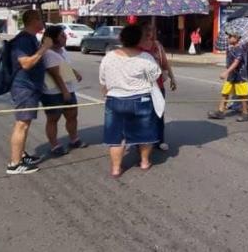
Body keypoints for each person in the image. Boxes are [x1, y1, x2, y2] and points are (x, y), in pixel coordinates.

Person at [99, 24, 162, 178]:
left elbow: (103, 81)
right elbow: (156, 76)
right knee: (145, 134)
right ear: (140, 40)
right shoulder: (146, 57)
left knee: (116, 137)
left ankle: (116, 168)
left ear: (121, 38)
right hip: (141, 99)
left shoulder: (109, 56)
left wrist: (107, 93)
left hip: (115, 100)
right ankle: (144, 162)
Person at [7, 9, 51, 175]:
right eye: (41, 18)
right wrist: (44, 48)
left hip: (31, 87)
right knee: (22, 124)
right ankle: (14, 164)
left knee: (25, 123)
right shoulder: (22, 40)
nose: (43, 21)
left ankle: (21, 155)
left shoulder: (31, 38)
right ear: (33, 20)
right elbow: (25, 63)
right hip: (24, 88)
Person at [41, 25, 86, 157]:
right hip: (54, 93)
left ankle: (74, 139)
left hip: (69, 89)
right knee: (53, 119)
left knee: (72, 116)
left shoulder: (62, 50)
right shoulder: (48, 53)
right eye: (62, 35)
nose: (65, 37)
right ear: (53, 38)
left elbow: (64, 65)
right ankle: (55, 145)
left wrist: (75, 72)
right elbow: (55, 74)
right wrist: (65, 91)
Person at [140, 22, 177, 152]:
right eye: (148, 30)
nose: (151, 33)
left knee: (159, 113)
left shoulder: (158, 46)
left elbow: (165, 63)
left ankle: (159, 140)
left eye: (153, 30)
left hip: (158, 85)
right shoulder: (137, 45)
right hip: (141, 87)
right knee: (143, 115)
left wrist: (173, 78)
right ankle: (141, 141)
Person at [208, 32, 248, 122]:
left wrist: (226, 72)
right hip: (232, 75)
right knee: (225, 93)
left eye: (230, 37)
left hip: (240, 76)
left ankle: (245, 113)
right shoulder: (232, 48)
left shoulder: (240, 48)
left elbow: (236, 62)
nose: (228, 38)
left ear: (236, 38)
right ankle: (220, 111)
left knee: (242, 95)